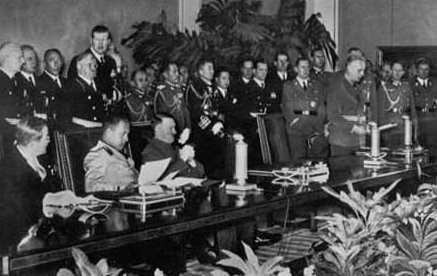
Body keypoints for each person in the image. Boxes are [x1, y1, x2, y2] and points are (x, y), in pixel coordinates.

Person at [0, 117, 59, 253]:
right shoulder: (8, 169)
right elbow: (19, 210)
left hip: (40, 230)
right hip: (19, 239)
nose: (49, 140)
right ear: (32, 143)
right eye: (46, 137)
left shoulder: (38, 160)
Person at [326, 55, 377, 156]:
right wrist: (354, 128)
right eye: (359, 70)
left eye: (363, 71)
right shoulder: (336, 86)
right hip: (341, 141)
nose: (362, 74)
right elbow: (333, 117)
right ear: (349, 68)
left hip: (355, 141)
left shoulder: (356, 87)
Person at [186, 59, 227, 178]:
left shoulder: (213, 87)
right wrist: (211, 127)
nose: (212, 71)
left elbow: (218, 109)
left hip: (216, 132)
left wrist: (219, 123)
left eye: (213, 68)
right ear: (200, 71)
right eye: (209, 68)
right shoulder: (195, 87)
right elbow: (196, 112)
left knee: (217, 167)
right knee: (206, 168)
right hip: (202, 134)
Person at [282, 57, 328, 161]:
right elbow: (289, 110)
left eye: (308, 67)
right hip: (296, 131)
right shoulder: (289, 86)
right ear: (296, 69)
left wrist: (317, 127)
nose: (306, 70)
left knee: (317, 163)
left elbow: (321, 109)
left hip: (315, 130)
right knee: (299, 162)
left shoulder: (317, 85)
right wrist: (305, 120)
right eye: (302, 67)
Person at [83, 114, 137, 192]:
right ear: (109, 133)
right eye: (123, 134)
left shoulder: (120, 154)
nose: (127, 139)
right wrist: (121, 189)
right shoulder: (97, 156)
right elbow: (91, 188)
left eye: (127, 134)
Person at [142, 113, 204, 180]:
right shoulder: (149, 153)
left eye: (174, 128)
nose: (175, 132)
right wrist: (183, 158)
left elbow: (200, 173)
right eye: (170, 128)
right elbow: (161, 179)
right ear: (158, 129)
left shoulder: (175, 148)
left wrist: (190, 160)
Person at [68, 25, 117, 101]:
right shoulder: (80, 60)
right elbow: (73, 91)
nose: (100, 44)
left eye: (104, 40)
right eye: (97, 40)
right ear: (91, 40)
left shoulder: (111, 61)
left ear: (109, 42)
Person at [378, 61, 417, 148]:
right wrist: (382, 130)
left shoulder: (407, 87)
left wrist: (415, 127)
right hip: (389, 127)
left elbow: (413, 109)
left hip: (404, 127)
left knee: (404, 152)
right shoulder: (384, 87)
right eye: (395, 70)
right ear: (391, 71)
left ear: (403, 72)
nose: (397, 72)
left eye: (400, 70)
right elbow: (380, 110)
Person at [265, 52, 292, 162]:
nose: (282, 63)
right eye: (280, 61)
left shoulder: (293, 78)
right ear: (275, 63)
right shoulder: (269, 79)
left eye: (285, 61)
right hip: (277, 116)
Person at [65, 52, 105, 123]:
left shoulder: (101, 85)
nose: (94, 68)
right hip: (82, 131)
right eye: (90, 65)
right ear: (79, 66)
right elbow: (66, 115)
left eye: (95, 65)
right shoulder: (71, 87)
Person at [0, 42, 25, 155]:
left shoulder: (17, 80)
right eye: (19, 58)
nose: (23, 61)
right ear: (7, 59)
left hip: (17, 135)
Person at [154, 62, 191, 138]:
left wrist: (188, 128)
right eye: (174, 71)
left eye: (177, 71)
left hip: (183, 131)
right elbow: (162, 116)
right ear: (165, 74)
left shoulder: (178, 89)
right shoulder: (161, 92)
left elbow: (185, 109)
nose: (177, 74)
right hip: (170, 133)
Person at [35, 49, 67, 124]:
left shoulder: (68, 83)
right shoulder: (38, 83)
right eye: (51, 60)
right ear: (44, 64)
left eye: (58, 59)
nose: (56, 63)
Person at [410, 57, 437, 148]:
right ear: (417, 70)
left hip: (432, 121)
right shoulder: (410, 84)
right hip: (418, 121)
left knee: (432, 152)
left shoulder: (434, 83)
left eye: (426, 69)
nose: (424, 72)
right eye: (421, 69)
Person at [15, 45, 38, 116]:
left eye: (35, 58)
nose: (34, 62)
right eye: (30, 59)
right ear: (20, 60)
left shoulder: (41, 80)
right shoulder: (15, 81)